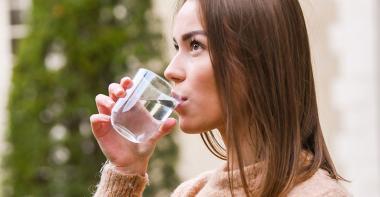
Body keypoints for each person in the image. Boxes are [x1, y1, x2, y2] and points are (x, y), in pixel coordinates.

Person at [90, 0, 351, 196]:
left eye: (195, 45)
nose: (170, 70)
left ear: (257, 59)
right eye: (176, 47)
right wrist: (126, 172)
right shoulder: (191, 193)